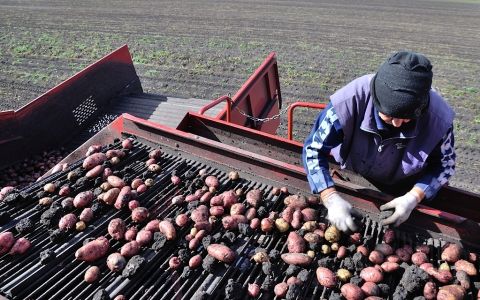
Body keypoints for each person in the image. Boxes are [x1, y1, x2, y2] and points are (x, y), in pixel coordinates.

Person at [302, 51, 455, 232]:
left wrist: (413, 197)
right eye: (390, 116)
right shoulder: (349, 102)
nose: (397, 124)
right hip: (355, 173)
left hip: (405, 186)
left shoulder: (439, 119)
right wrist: (329, 197)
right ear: (376, 99)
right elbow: (313, 149)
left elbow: (445, 165)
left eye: (407, 118)